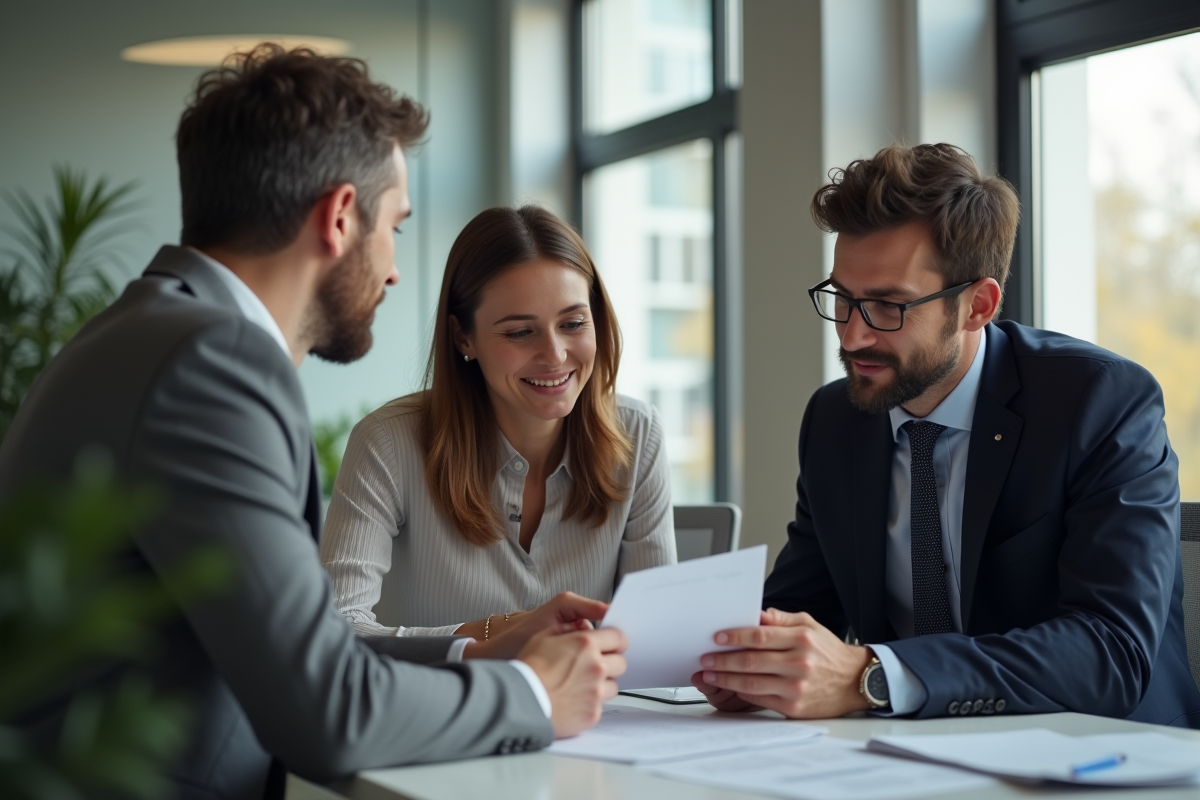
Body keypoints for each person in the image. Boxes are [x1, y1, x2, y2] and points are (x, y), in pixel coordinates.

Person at [0, 45, 628, 800]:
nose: (395, 269)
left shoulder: (143, 333)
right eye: (395, 224)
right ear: (338, 217)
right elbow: (326, 711)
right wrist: (531, 693)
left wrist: (480, 649)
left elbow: (299, 650)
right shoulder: (214, 362)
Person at [692, 143, 1200, 728]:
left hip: (1104, 756)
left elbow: (1111, 652)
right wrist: (736, 661)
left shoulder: (1099, 402)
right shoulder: (837, 419)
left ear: (977, 306)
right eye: (843, 299)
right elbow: (801, 609)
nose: (853, 336)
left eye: (888, 306)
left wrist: (874, 676)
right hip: (917, 759)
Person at [321, 205, 675, 647]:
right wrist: (488, 639)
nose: (556, 355)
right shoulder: (388, 443)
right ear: (462, 337)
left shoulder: (639, 435)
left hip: (593, 714)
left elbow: (658, 640)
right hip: (437, 711)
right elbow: (335, 632)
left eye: (573, 323)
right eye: (520, 332)